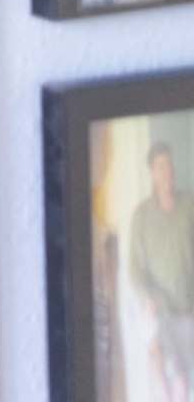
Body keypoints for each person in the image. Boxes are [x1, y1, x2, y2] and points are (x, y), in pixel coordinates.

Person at [135, 138, 194, 401]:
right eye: (160, 167)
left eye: (169, 165)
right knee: (176, 379)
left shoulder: (190, 204)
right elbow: (135, 270)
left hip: (190, 307)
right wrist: (147, 297)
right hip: (162, 310)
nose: (167, 171)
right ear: (152, 173)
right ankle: (170, 390)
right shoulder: (142, 216)